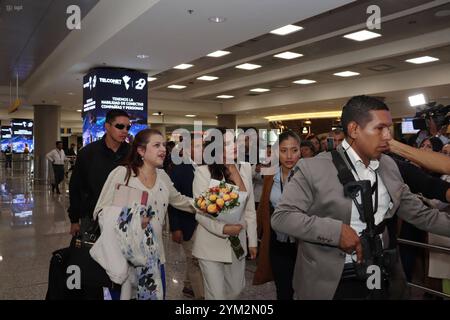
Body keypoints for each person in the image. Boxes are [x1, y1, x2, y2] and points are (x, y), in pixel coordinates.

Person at [271, 95, 450, 300]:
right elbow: (282, 217)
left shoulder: (389, 166)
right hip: (330, 283)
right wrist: (335, 232)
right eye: (379, 128)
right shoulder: (313, 168)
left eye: (389, 128)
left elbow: (421, 214)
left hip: (380, 275)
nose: (387, 137)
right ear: (354, 129)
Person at [94, 128, 197, 299]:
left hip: (154, 259)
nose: (163, 149)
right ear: (141, 150)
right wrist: (132, 220)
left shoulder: (163, 176)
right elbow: (101, 211)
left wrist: (206, 205)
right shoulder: (123, 174)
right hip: (124, 257)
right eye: (156, 145)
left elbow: (180, 201)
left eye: (164, 145)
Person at [192, 128, 258, 300]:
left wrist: (252, 240)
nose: (235, 146)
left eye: (235, 141)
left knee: (236, 291)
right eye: (227, 143)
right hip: (210, 244)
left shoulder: (245, 168)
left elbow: (249, 209)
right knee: (216, 296)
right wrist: (224, 229)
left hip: (238, 242)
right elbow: (201, 213)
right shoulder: (203, 172)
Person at [253, 130, 301, 300]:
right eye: (283, 150)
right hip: (277, 243)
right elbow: (263, 209)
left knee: (305, 291)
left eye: (294, 150)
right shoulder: (270, 176)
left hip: (303, 245)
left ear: (300, 150)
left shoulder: (308, 176)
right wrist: (253, 239)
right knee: (283, 290)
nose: (289, 156)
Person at [68, 110, 131, 239]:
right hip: (92, 218)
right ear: (107, 126)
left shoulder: (132, 154)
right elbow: (76, 187)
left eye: (127, 127)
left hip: (125, 218)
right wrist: (74, 220)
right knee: (91, 257)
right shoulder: (87, 153)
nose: (125, 130)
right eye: (120, 126)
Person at [168, 134, 204, 299]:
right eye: (195, 146)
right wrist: (175, 228)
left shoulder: (207, 168)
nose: (199, 150)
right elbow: (173, 200)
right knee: (195, 262)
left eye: (201, 146)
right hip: (187, 224)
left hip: (205, 224)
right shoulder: (179, 169)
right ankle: (201, 296)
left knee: (196, 260)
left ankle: (188, 286)